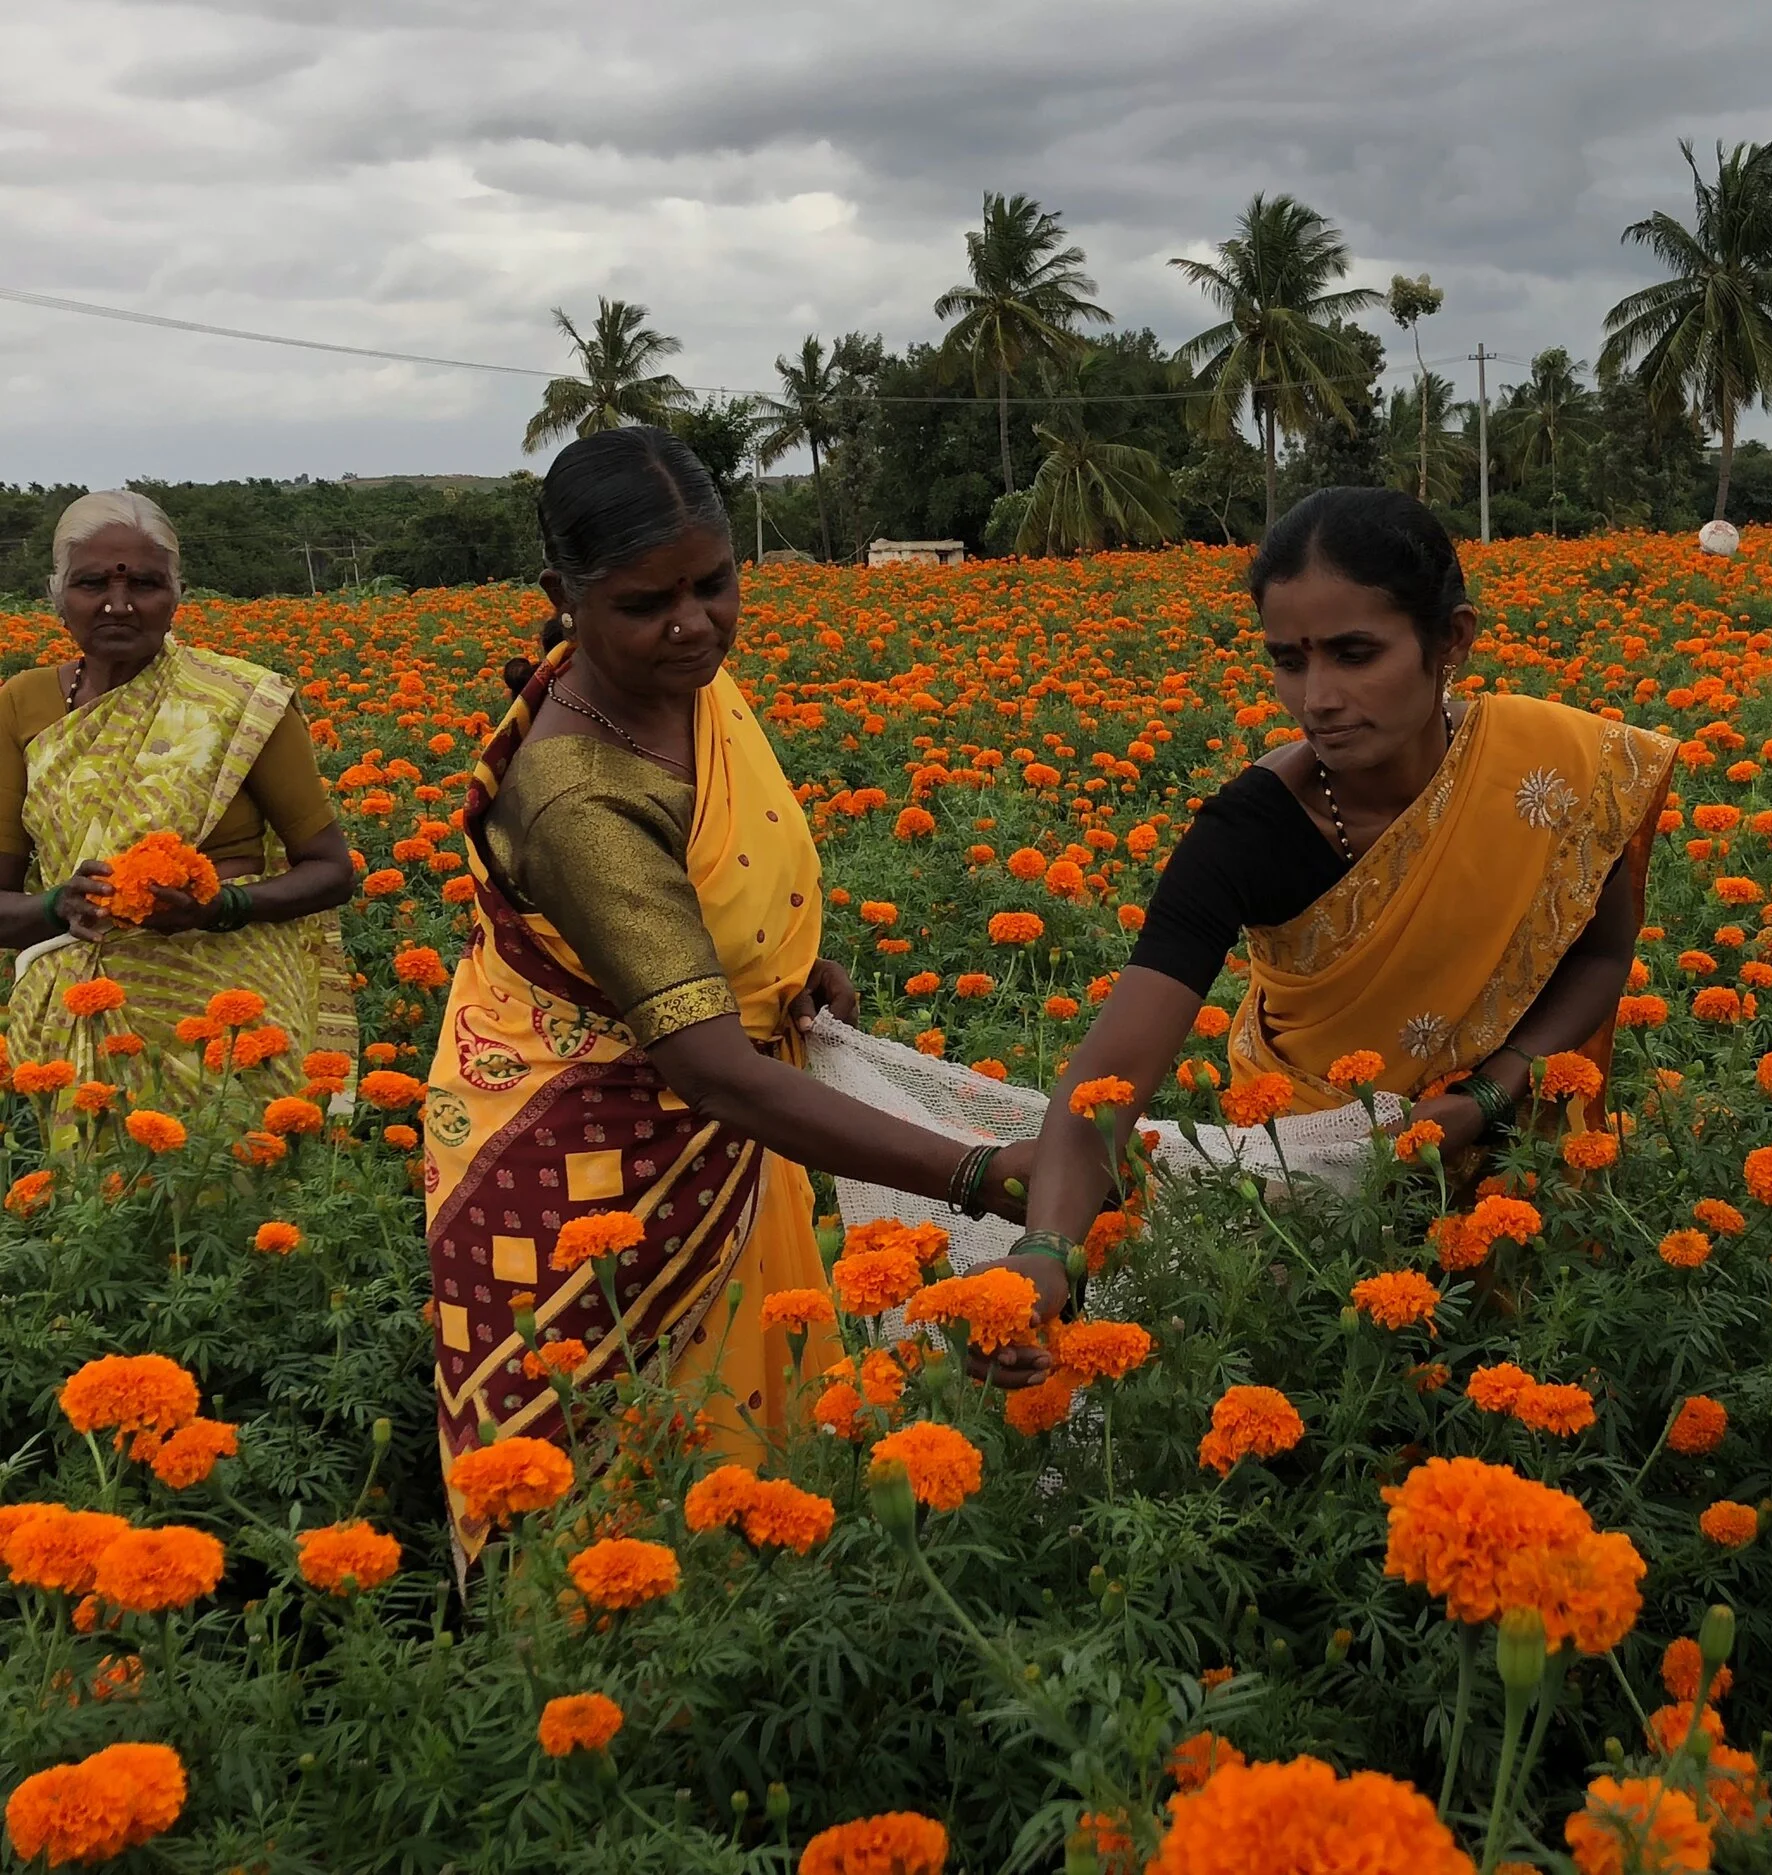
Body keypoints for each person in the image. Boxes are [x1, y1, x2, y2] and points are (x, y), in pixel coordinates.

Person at [423, 427, 1030, 1563]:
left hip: (728, 1114)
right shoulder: (580, 796)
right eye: (650, 602)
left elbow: (728, 891)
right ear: (565, 597)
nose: (694, 623)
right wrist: (976, 1172)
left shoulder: (686, 688)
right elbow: (707, 1071)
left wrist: (787, 977)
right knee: (623, 1506)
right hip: (594, 1168)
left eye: (715, 584)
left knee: (756, 1464)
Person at [979, 486, 1680, 1382]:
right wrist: (1046, 1249)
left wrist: (1491, 1098)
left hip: (1514, 1155)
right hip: (1308, 1184)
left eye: (1356, 654)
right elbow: (1103, 1079)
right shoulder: (1248, 833)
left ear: (1452, 640)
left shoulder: (1554, 769)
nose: (1318, 699)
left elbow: (1602, 955)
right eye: (1289, 660)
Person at [0, 490, 356, 1099]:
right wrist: (58, 906)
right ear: (58, 596)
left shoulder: (242, 701)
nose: (119, 604)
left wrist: (220, 909)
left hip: (230, 1021)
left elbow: (331, 870)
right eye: (92, 584)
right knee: (102, 1195)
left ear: (176, 596)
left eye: (145, 582)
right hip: (73, 1023)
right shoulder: (19, 704)